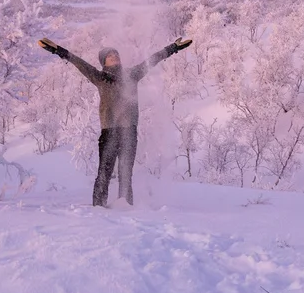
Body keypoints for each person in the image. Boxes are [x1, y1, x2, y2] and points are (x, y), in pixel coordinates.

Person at [37, 36, 192, 206]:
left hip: (129, 131)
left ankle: (125, 207)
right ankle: (98, 208)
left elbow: (152, 60)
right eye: (110, 56)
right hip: (109, 131)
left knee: (126, 173)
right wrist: (57, 49)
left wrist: (173, 48)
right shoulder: (99, 77)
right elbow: (78, 62)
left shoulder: (132, 74)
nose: (114, 56)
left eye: (116, 54)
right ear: (104, 62)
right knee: (104, 172)